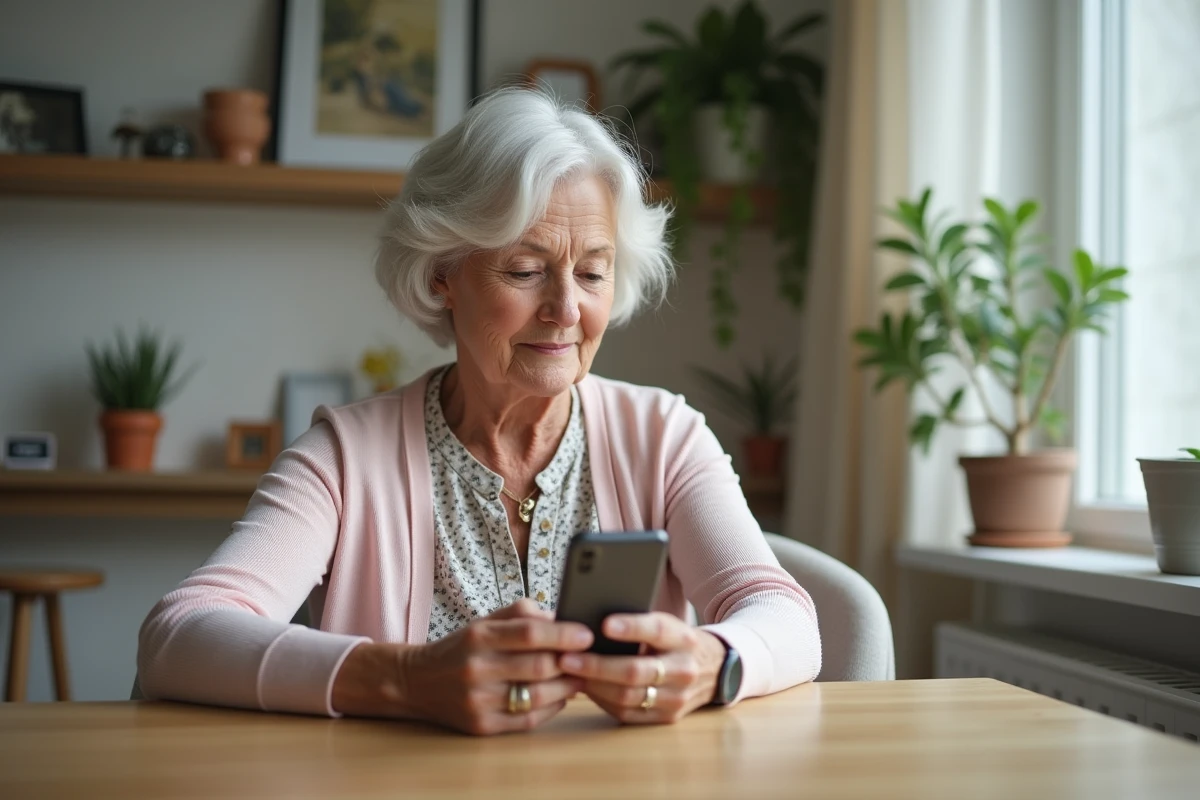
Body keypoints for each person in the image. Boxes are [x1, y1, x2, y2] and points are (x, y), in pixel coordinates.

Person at [137, 88, 821, 736]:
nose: (565, 309)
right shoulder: (345, 459)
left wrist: (711, 663)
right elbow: (179, 636)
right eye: (525, 271)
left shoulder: (664, 437)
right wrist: (404, 679)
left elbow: (785, 615)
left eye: (592, 272)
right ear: (443, 275)